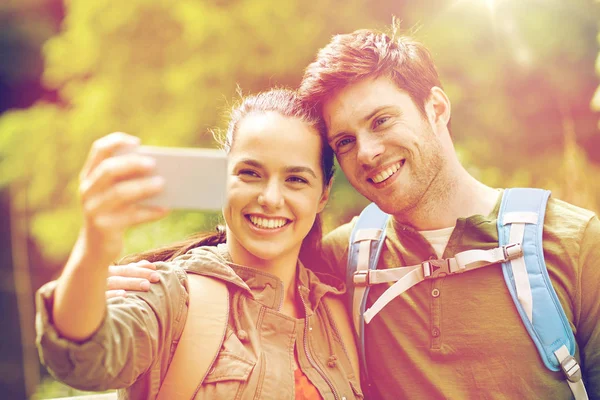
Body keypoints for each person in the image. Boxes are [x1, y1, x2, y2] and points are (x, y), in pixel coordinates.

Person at [107, 29, 600, 399]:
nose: (366, 152)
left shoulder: (575, 244)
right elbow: (255, 259)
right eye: (345, 141)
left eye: (381, 121)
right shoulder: (344, 259)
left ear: (437, 108)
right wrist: (140, 280)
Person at [35, 89, 363, 399]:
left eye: (296, 179)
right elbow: (86, 357)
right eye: (250, 173)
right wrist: (94, 245)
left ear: (323, 194)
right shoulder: (172, 294)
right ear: (223, 176)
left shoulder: (338, 312)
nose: (270, 199)